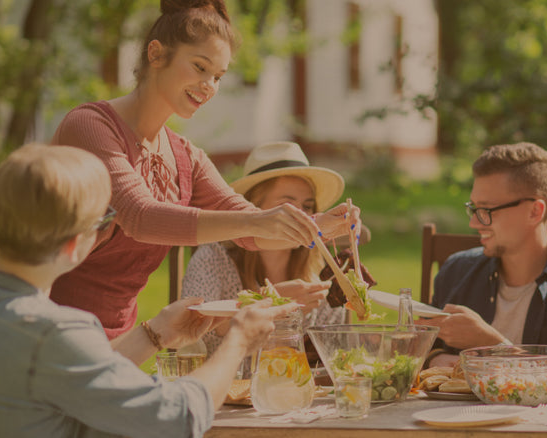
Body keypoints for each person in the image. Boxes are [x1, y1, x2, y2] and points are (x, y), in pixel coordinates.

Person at [0, 144, 300, 437]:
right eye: (105, 221)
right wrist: (239, 340)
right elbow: (175, 419)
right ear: (74, 244)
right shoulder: (54, 332)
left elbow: (68, 372)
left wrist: (155, 333)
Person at [49, 0, 359, 339]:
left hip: (120, 340)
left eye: (218, 77)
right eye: (200, 67)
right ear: (156, 54)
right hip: (48, 327)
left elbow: (249, 229)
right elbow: (140, 216)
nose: (209, 85)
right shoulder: (91, 127)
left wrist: (318, 226)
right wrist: (257, 221)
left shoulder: (185, 156)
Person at [416, 142, 547, 389]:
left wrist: (494, 347)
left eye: (486, 210)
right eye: (473, 208)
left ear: (535, 211)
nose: (474, 223)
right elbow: (420, 351)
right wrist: (436, 358)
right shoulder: (456, 272)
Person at [180, 141, 373, 354]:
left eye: (307, 207)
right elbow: (191, 331)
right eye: (287, 207)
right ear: (253, 209)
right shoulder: (214, 258)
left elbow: (331, 348)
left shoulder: (320, 270)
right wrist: (269, 303)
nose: (302, 217)